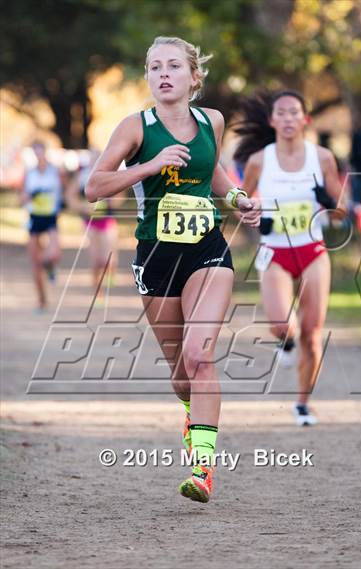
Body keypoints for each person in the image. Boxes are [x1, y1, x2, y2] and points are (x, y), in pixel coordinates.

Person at [85, 36, 260, 503]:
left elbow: (213, 172)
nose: (163, 73)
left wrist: (237, 197)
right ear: (148, 77)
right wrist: (149, 166)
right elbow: (94, 187)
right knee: (181, 372)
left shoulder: (212, 121)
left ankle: (202, 467)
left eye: (173, 66)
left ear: (192, 77)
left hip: (207, 250)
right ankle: (191, 412)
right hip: (155, 257)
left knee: (200, 356)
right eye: (154, 67)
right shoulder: (135, 128)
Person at [233, 90, 343, 426]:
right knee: (283, 324)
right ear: (272, 120)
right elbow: (243, 206)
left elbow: (341, 215)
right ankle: (285, 341)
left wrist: (328, 201)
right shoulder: (259, 161)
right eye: (281, 113)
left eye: (295, 112)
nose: (288, 118)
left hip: (312, 250)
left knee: (312, 333)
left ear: (305, 119)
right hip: (275, 251)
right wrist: (256, 218)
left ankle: (302, 403)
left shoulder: (322, 158)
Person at [66, 151, 119, 302]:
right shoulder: (82, 176)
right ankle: (98, 294)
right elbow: (70, 197)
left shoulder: (109, 173)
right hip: (90, 222)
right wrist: (83, 206)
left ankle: (110, 273)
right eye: (92, 159)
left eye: (98, 159)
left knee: (109, 259)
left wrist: (111, 201)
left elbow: (119, 196)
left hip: (107, 220)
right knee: (96, 259)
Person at [19, 141, 63, 312]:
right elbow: (21, 197)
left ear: (45, 152)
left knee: (52, 254)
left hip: (51, 218)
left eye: (41, 152)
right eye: (35, 153)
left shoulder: (55, 171)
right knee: (35, 263)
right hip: (34, 218)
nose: (39, 156)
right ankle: (41, 300)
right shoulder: (29, 173)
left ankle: (51, 268)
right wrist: (30, 196)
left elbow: (65, 191)